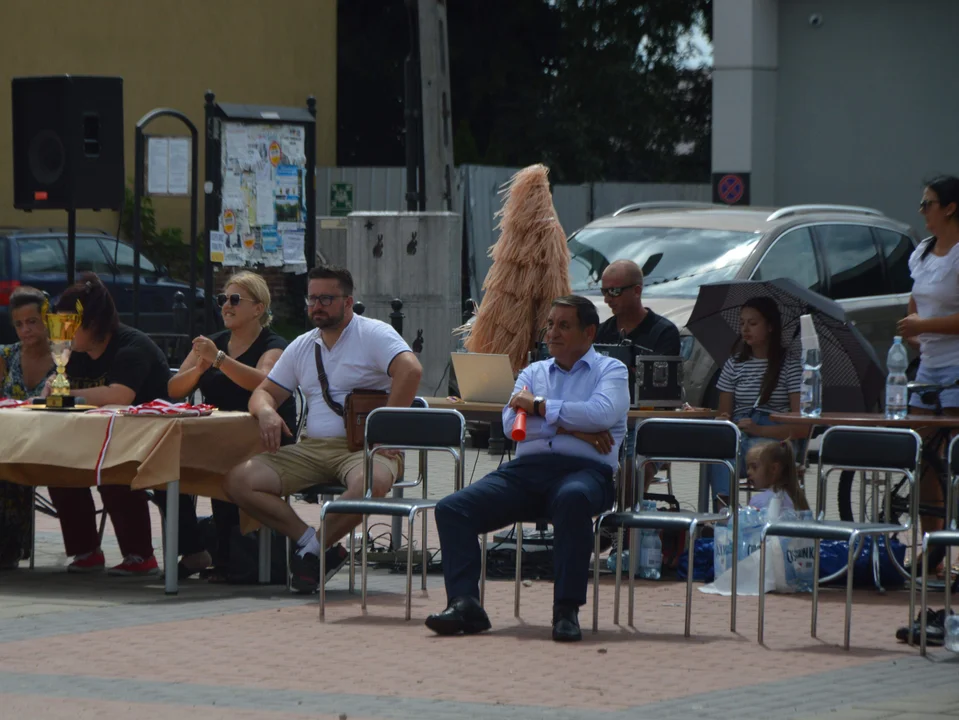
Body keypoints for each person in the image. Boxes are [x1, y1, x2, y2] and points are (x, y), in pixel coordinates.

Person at [425, 295, 628, 643]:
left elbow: (601, 414)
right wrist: (573, 428)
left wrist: (537, 407)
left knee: (573, 498)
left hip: (585, 473)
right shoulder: (533, 371)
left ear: (589, 332)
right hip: (527, 471)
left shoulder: (612, 370)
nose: (552, 332)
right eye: (550, 324)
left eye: (564, 325)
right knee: (452, 508)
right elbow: (510, 425)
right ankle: (465, 604)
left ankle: (566, 610)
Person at [223, 265, 422, 593]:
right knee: (237, 480)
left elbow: (410, 370)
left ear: (348, 302)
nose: (317, 305)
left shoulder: (372, 333)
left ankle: (313, 550)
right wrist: (267, 413)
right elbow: (263, 392)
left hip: (364, 448)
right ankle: (314, 545)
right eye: (312, 298)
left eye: (327, 298)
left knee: (374, 481)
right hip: (312, 448)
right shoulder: (302, 345)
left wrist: (389, 430)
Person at [167, 271, 296, 581]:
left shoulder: (274, 345)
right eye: (222, 299)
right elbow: (174, 388)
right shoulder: (212, 344)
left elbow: (262, 383)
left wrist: (219, 360)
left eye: (235, 299)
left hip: (263, 438)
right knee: (168, 467)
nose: (226, 305)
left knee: (228, 469)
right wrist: (199, 367)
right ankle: (200, 549)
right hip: (217, 437)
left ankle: (233, 559)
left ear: (258, 308)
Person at [44, 274, 170, 575]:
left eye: (72, 324)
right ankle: (86, 550)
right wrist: (52, 386)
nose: (66, 332)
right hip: (94, 438)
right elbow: (60, 384)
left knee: (114, 473)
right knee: (58, 469)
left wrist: (68, 394)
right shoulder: (74, 354)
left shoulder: (131, 346)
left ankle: (140, 555)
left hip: (149, 442)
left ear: (95, 323)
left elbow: (120, 395)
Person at [898, 175, 959, 553]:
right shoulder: (922, 251)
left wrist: (926, 326)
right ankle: (930, 548)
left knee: (951, 455)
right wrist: (914, 331)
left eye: (928, 203)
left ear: (950, 208)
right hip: (928, 364)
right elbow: (915, 304)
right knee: (923, 456)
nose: (922, 211)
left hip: (956, 365)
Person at [704, 297, 803, 511]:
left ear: (770, 327)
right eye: (742, 323)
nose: (745, 329)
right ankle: (725, 515)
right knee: (720, 453)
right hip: (741, 432)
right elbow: (725, 413)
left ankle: (767, 513)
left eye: (753, 323)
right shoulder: (734, 364)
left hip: (774, 434)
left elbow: (802, 427)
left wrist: (759, 428)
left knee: (762, 454)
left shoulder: (790, 365)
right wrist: (723, 421)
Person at [595, 258, 681, 497]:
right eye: (604, 291)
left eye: (613, 291)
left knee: (633, 466)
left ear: (637, 291)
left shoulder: (663, 332)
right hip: (608, 420)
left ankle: (623, 526)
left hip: (648, 424)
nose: (607, 299)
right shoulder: (603, 332)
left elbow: (662, 390)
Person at [0, 286, 55, 568]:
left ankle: (11, 545)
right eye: (19, 324)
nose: (26, 330)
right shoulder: (6, 356)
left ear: (47, 320)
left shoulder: (64, 358)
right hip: (9, 438)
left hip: (50, 440)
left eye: (32, 322)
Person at [744, 440, 810, 512]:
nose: (748, 472)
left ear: (774, 468)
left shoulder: (759, 501)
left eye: (754, 467)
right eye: (748, 467)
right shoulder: (798, 498)